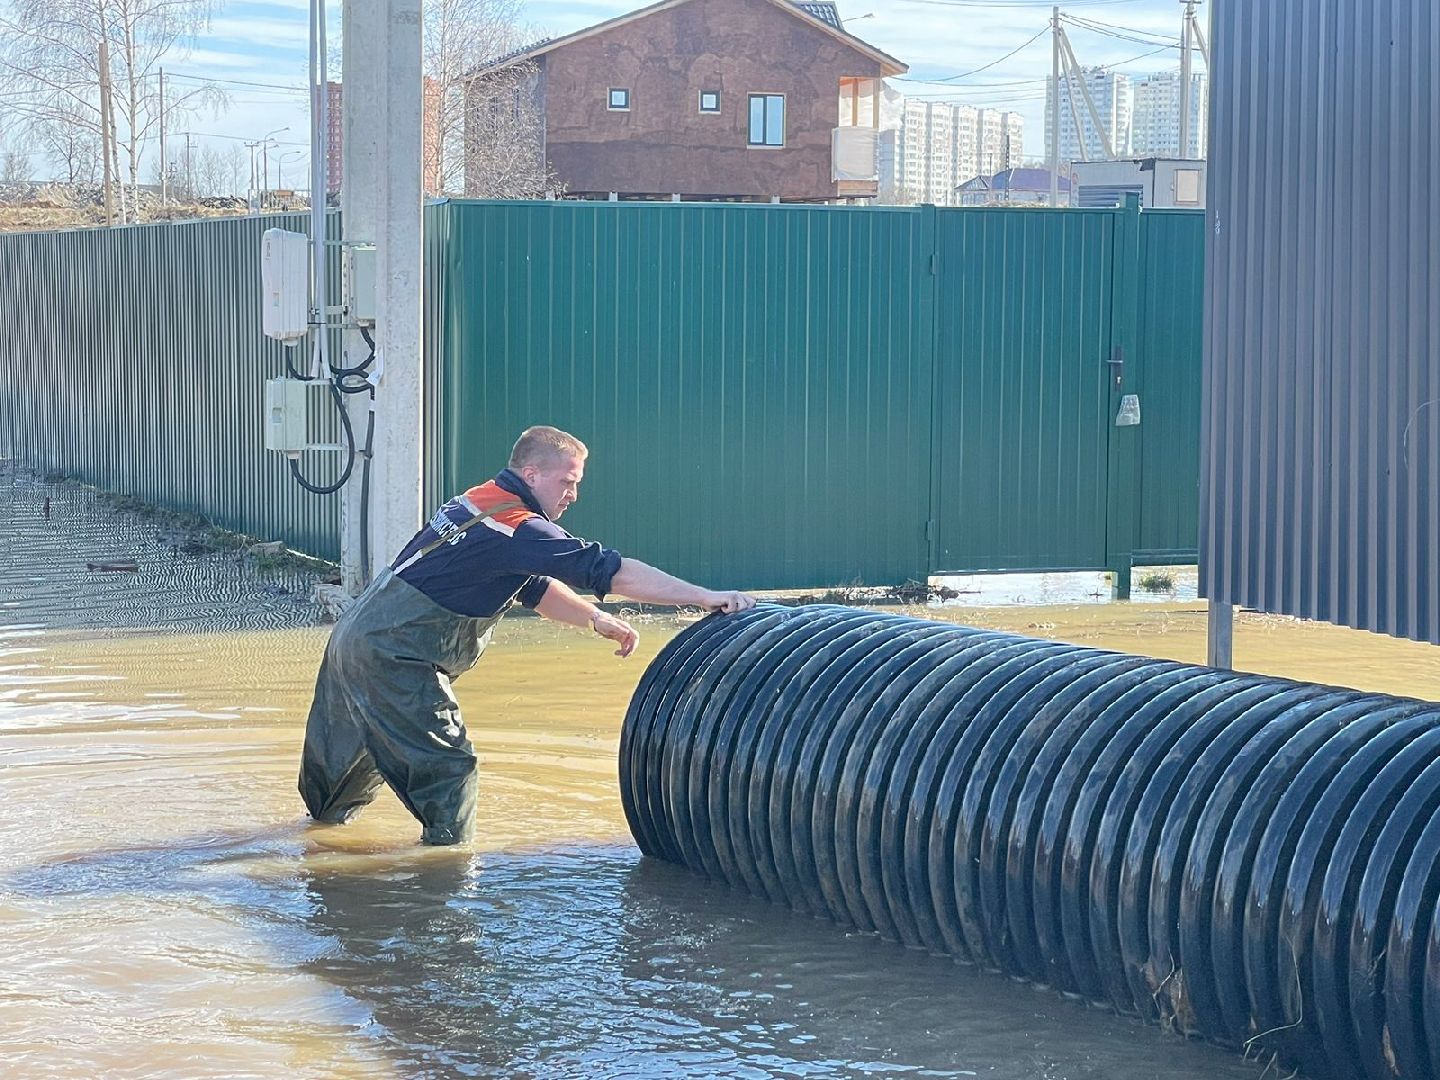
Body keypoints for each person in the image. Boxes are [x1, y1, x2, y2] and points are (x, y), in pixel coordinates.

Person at [298, 425, 757, 845]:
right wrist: (703, 596)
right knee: (449, 773)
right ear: (532, 473)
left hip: (354, 638)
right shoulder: (516, 525)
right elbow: (608, 569)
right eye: (567, 481)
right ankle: (443, 887)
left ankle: (307, 852)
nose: (574, 494)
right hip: (394, 656)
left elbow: (530, 587)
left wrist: (594, 619)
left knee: (340, 781)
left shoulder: (479, 501)